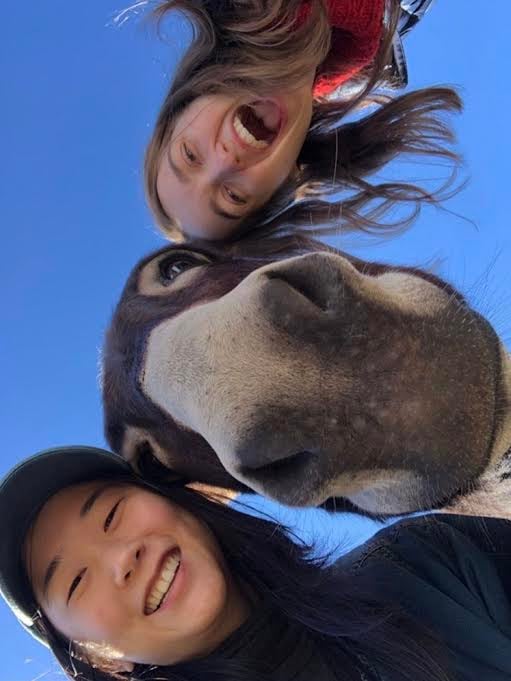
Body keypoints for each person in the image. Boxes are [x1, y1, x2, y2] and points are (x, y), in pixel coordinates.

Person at [2, 446, 511, 680]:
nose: (120, 558)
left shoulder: (429, 564)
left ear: (186, 502)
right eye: (75, 582)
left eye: (111, 513)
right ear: (98, 659)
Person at [144, 0, 457, 243]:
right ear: (287, 179)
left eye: (189, 155)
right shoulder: (372, 44)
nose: (223, 161)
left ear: (190, 98)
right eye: (233, 197)